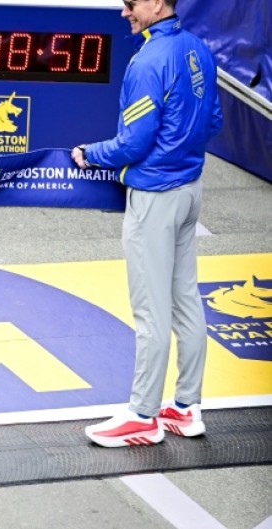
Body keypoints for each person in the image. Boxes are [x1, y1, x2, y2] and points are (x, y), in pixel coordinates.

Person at [72, 0, 222, 448]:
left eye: (131, 4)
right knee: (185, 301)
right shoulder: (199, 48)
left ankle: (142, 415)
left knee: (151, 313)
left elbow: (133, 142)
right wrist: (180, 154)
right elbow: (212, 120)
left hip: (156, 198)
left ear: (157, 3)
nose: (125, 13)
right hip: (189, 190)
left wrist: (90, 154)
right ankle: (186, 407)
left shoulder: (148, 60)